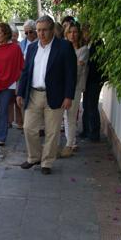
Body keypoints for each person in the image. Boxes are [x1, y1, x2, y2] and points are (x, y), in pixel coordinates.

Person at [17, 15, 77, 175]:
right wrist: (20, 92)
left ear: (52, 30)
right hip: (34, 94)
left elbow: (71, 74)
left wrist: (68, 96)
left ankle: (47, 162)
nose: (41, 34)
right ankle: (34, 157)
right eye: (38, 30)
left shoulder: (64, 47)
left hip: (55, 94)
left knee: (52, 131)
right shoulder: (32, 48)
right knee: (28, 128)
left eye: (44, 30)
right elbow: (25, 72)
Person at [60, 22, 89, 158]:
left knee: (71, 115)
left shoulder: (83, 50)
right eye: (70, 32)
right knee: (63, 116)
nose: (72, 35)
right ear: (66, 33)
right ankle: (70, 141)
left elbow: (77, 70)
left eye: (75, 32)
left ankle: (70, 144)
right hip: (61, 86)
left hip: (76, 86)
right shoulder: (62, 47)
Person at [80, 24, 107, 142]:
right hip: (88, 79)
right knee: (86, 105)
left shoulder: (98, 44)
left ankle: (94, 134)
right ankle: (86, 131)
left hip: (95, 80)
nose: (84, 35)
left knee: (92, 105)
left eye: (86, 32)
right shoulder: (87, 44)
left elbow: (96, 63)